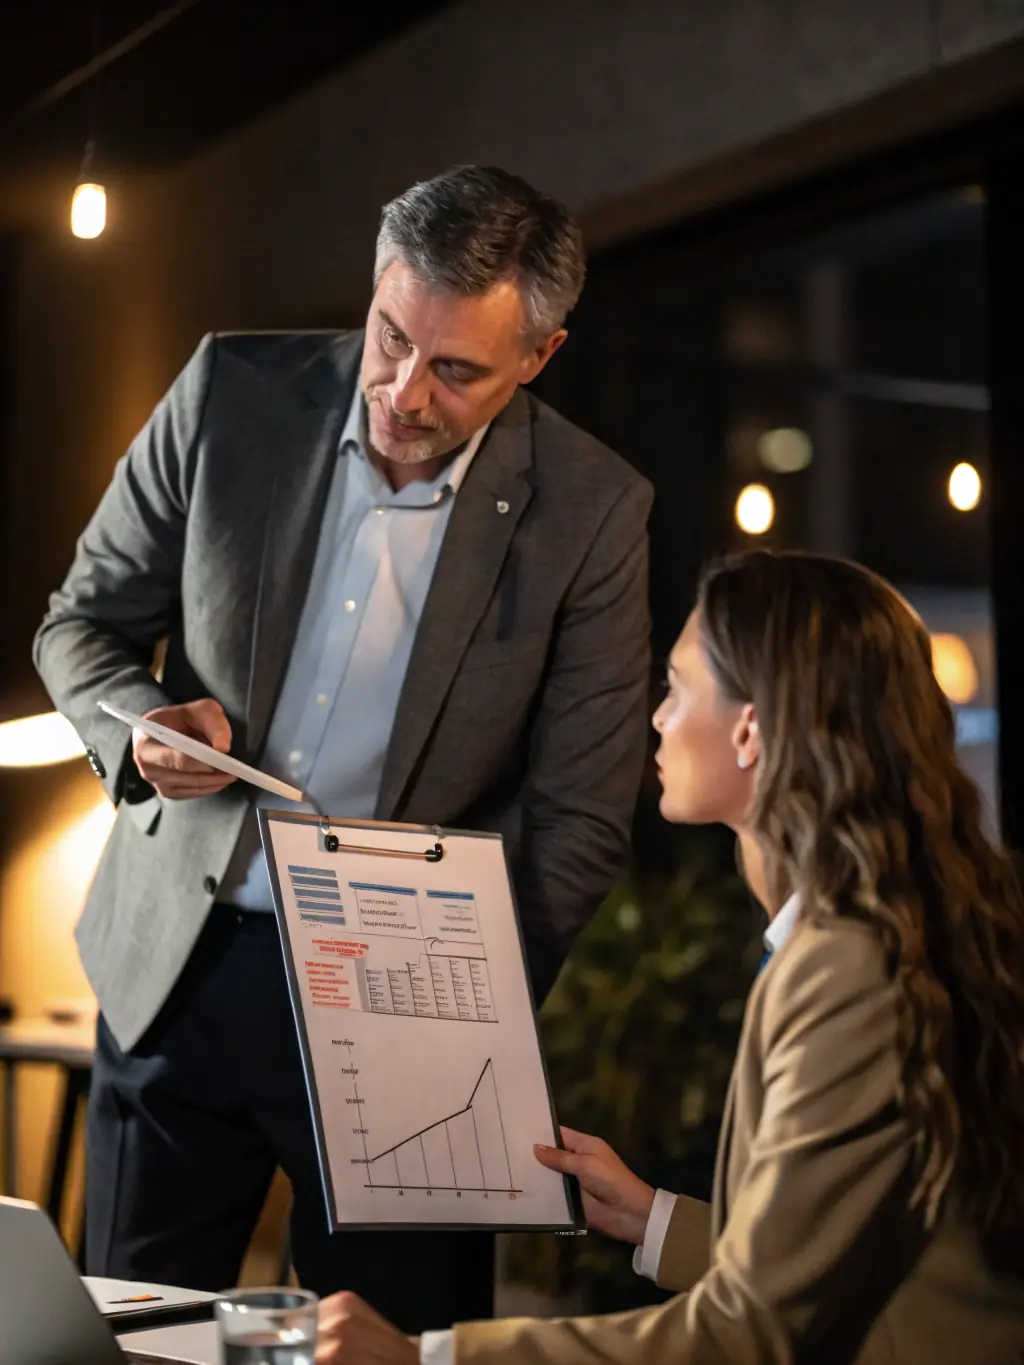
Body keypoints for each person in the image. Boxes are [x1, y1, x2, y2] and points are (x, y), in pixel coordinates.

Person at [33, 165, 653, 1330]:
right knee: (131, 1337)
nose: (403, 391)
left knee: (393, 1350)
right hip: (181, 961)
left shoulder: (596, 511)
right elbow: (81, 624)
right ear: (376, 286)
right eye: (389, 338)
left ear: (540, 355)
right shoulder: (229, 390)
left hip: (411, 1010)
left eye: (455, 369)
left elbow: (578, 825)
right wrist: (142, 734)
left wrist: (457, 1016)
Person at [314, 549, 1024, 1363]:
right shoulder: (883, 927)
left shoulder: (844, 964)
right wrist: (653, 1216)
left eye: (678, 687)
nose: (658, 717)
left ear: (750, 729)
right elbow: (837, 1255)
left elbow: (746, 1332)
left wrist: (423, 1358)